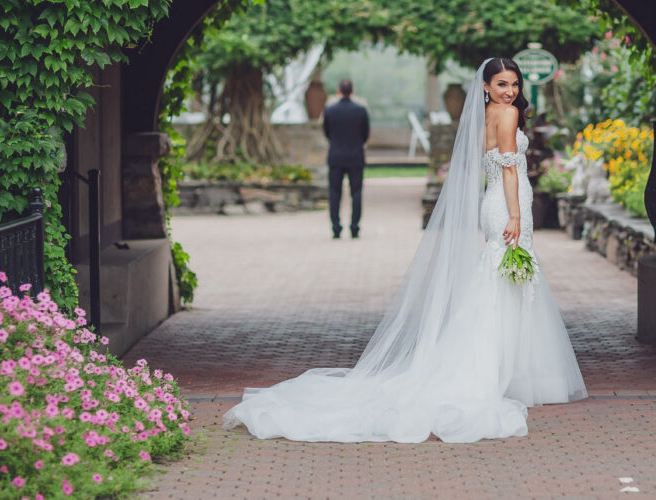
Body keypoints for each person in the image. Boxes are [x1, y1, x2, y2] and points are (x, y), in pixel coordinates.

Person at [224, 58, 585, 443]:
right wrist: (515, 213)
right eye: (501, 84)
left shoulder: (484, 117)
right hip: (508, 203)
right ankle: (500, 372)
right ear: (484, 86)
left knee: (501, 278)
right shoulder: (508, 115)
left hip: (493, 202)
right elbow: (511, 169)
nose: (510, 91)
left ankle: (507, 369)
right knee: (506, 278)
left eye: (514, 84)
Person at [322, 78, 370, 239]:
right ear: (352, 91)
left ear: (338, 91)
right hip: (355, 156)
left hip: (336, 156)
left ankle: (336, 227)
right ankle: (355, 227)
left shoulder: (329, 110)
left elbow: (327, 133)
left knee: (335, 192)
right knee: (356, 192)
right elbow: (365, 135)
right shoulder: (361, 110)